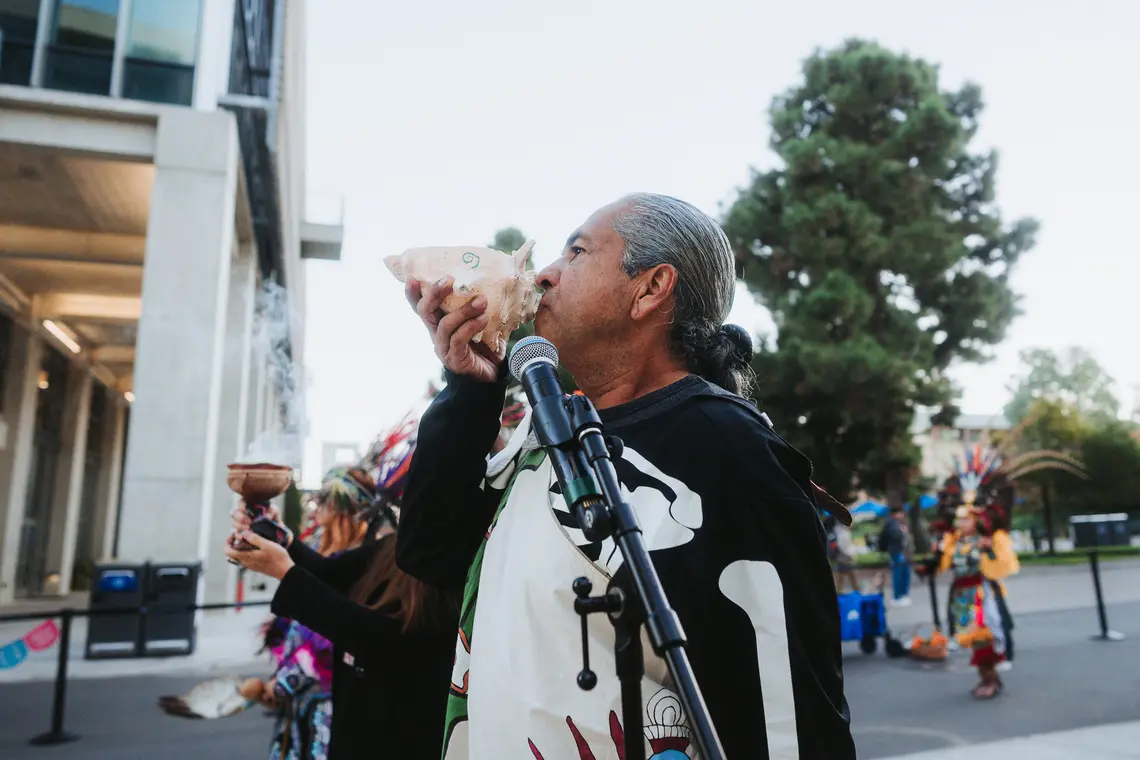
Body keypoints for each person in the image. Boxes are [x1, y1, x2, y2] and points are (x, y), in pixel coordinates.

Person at [398, 193, 856, 759]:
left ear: (651, 288)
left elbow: (788, 704)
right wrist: (469, 392)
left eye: (577, 251)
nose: (544, 275)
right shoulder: (550, 431)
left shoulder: (724, 448)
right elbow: (430, 554)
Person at [227, 448, 460, 760]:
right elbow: (330, 573)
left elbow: (383, 639)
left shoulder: (452, 561)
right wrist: (276, 537)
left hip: (399, 735)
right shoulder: (395, 545)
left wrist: (285, 571)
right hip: (351, 725)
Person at [935, 504, 1019, 699]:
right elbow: (945, 566)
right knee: (972, 639)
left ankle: (991, 680)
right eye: (959, 519)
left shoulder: (988, 540)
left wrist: (988, 550)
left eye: (966, 519)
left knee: (984, 639)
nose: (961, 523)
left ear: (977, 520)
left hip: (981, 596)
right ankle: (987, 678)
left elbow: (1000, 566)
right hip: (961, 595)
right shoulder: (954, 541)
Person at [880, 505, 912, 605]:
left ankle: (902, 595)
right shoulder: (892, 523)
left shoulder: (893, 522)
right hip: (897, 551)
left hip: (899, 551)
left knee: (903, 572)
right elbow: (896, 535)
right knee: (898, 573)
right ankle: (898, 596)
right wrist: (902, 531)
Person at [825, 514, 859, 594]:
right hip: (845, 558)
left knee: (840, 581)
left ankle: (838, 598)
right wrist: (851, 556)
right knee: (852, 580)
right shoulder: (843, 533)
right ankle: (857, 596)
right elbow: (844, 547)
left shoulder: (837, 530)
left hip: (839, 558)